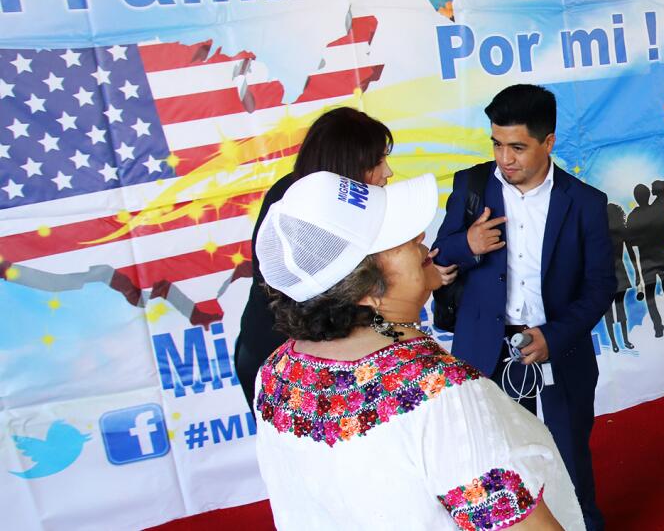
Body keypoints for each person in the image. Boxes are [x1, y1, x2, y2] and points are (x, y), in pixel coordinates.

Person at [252, 171, 583, 530]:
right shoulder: (437, 391)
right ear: (365, 286)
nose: (420, 235)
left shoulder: (277, 371)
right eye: (397, 236)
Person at [432, 84, 613, 531]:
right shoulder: (471, 186)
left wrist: (554, 336)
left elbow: (600, 286)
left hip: (557, 350)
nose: (504, 158)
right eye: (496, 144)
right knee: (490, 466)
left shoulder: (585, 203)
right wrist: (467, 245)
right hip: (482, 350)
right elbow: (438, 256)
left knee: (569, 461)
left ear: (548, 142)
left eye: (517, 146)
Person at [236, 107, 414, 408]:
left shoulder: (345, 209)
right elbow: (337, 308)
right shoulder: (301, 209)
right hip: (282, 359)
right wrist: (401, 336)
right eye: (378, 161)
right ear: (346, 165)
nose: (388, 172)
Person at [626, 180, 664, 337]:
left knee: (650, 297)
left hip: (646, 261)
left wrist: (643, 239)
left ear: (636, 198)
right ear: (648, 195)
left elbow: (631, 242)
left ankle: (658, 329)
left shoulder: (633, 216)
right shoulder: (658, 210)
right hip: (663, 258)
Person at [603, 203, 636, 353]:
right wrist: (636, 272)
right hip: (620, 274)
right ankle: (625, 341)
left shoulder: (599, 232)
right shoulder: (622, 231)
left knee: (608, 311)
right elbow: (631, 254)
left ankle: (615, 343)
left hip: (603, 275)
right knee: (620, 309)